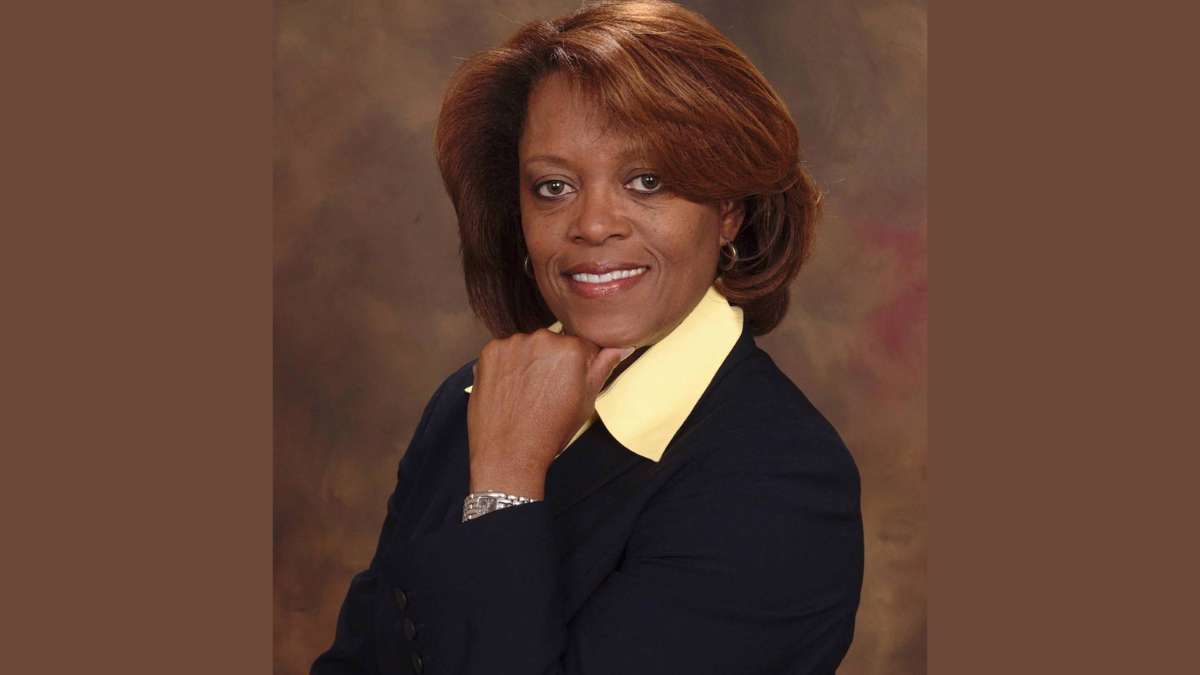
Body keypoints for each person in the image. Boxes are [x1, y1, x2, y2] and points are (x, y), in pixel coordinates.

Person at [312, 1, 863, 673]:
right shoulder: (468, 401)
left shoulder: (781, 481)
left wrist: (506, 480)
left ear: (729, 211)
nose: (594, 224)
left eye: (647, 180)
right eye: (553, 187)